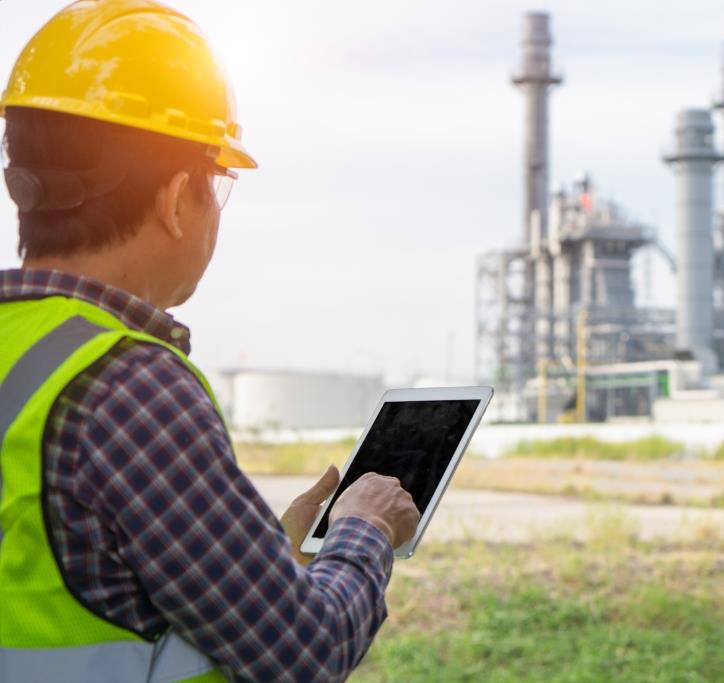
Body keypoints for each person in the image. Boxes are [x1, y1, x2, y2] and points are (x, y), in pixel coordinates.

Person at [0, 1, 420, 681]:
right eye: (215, 185)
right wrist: (364, 529)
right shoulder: (128, 386)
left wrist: (265, 559)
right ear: (175, 200)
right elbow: (304, 655)